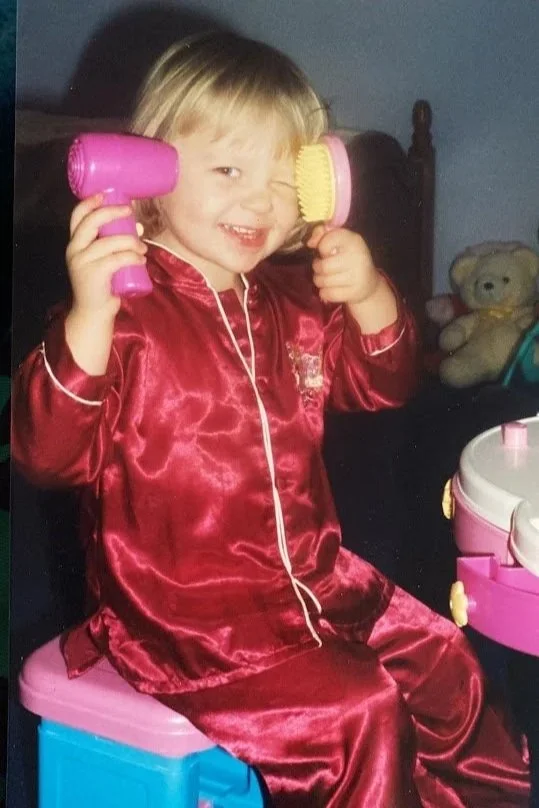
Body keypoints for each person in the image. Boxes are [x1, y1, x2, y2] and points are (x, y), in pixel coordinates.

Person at [12, 31, 529, 807]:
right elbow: (47, 456)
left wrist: (367, 295)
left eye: (286, 182)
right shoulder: (124, 316)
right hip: (185, 619)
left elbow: (380, 384)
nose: (260, 201)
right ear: (152, 171)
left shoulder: (288, 303)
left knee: (443, 662)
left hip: (317, 578)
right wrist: (87, 316)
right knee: (357, 713)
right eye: (228, 170)